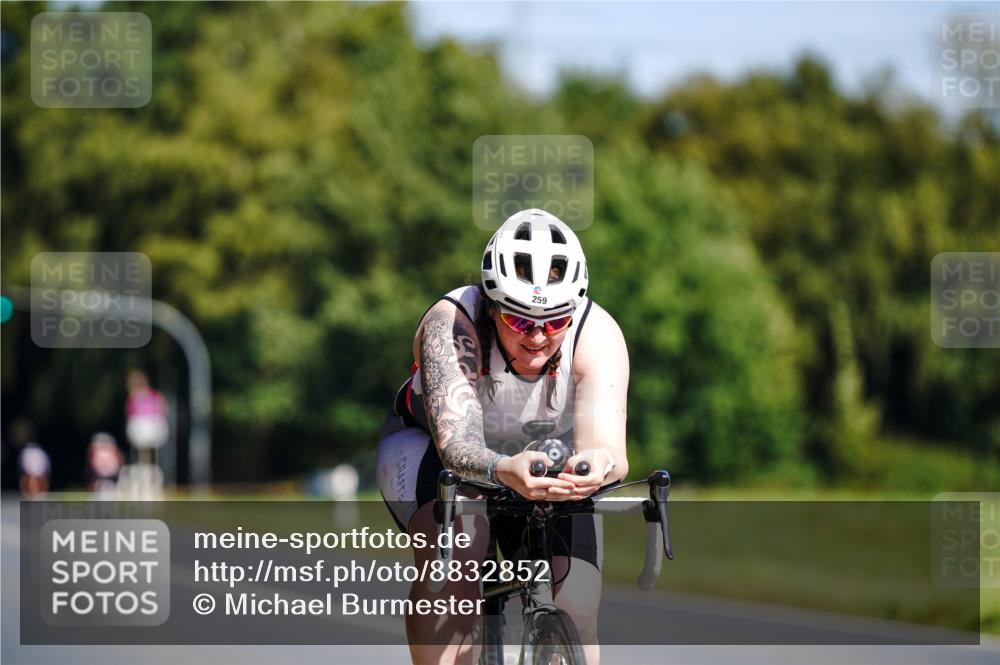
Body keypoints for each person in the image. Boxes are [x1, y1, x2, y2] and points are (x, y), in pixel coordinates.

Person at [376, 209, 629, 665]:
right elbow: (456, 446)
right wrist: (500, 468)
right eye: (519, 321)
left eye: (554, 322)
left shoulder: (598, 333)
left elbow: (608, 448)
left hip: (539, 458)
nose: (537, 336)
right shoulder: (452, 325)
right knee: (456, 575)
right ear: (492, 308)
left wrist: (589, 468)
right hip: (433, 451)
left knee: (579, 601)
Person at [125, 369, 168, 465]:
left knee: (145, 451)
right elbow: (163, 408)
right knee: (149, 451)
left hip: (146, 427)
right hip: (151, 426)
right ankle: (149, 467)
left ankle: (148, 467)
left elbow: (129, 414)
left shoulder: (135, 397)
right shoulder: (154, 395)